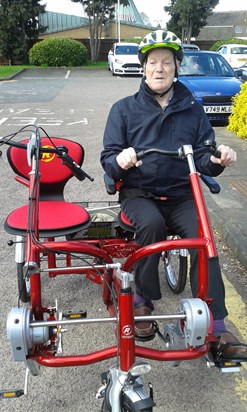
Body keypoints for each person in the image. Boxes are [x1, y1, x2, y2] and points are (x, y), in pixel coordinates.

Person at [100, 30, 247, 360]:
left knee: (203, 237)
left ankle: (217, 327)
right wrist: (119, 160)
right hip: (140, 194)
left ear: (177, 67)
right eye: (153, 62)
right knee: (150, 226)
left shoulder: (192, 110)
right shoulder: (122, 110)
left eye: (167, 62)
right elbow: (108, 159)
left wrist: (218, 158)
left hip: (182, 194)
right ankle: (143, 300)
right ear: (143, 68)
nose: (160, 68)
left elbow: (205, 157)